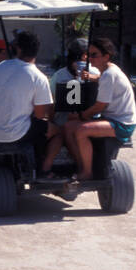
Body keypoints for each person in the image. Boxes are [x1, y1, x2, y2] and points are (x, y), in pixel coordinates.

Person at [63, 37, 136, 181]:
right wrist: (91, 77)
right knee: (68, 127)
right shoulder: (109, 69)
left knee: (81, 130)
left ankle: (87, 172)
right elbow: (101, 78)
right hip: (112, 119)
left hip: (122, 124)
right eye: (88, 54)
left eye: (94, 55)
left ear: (106, 56)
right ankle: (81, 164)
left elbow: (99, 106)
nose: (89, 59)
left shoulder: (109, 75)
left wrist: (81, 116)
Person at [0, 31, 53, 164]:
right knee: (55, 130)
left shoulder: (1, 66)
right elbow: (39, 115)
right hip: (17, 134)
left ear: (18, 48)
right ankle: (44, 167)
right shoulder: (39, 77)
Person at [40, 38, 100, 175]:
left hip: (82, 118)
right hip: (74, 118)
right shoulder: (61, 75)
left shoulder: (93, 73)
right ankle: (79, 166)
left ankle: (82, 167)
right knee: (66, 127)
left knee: (67, 128)